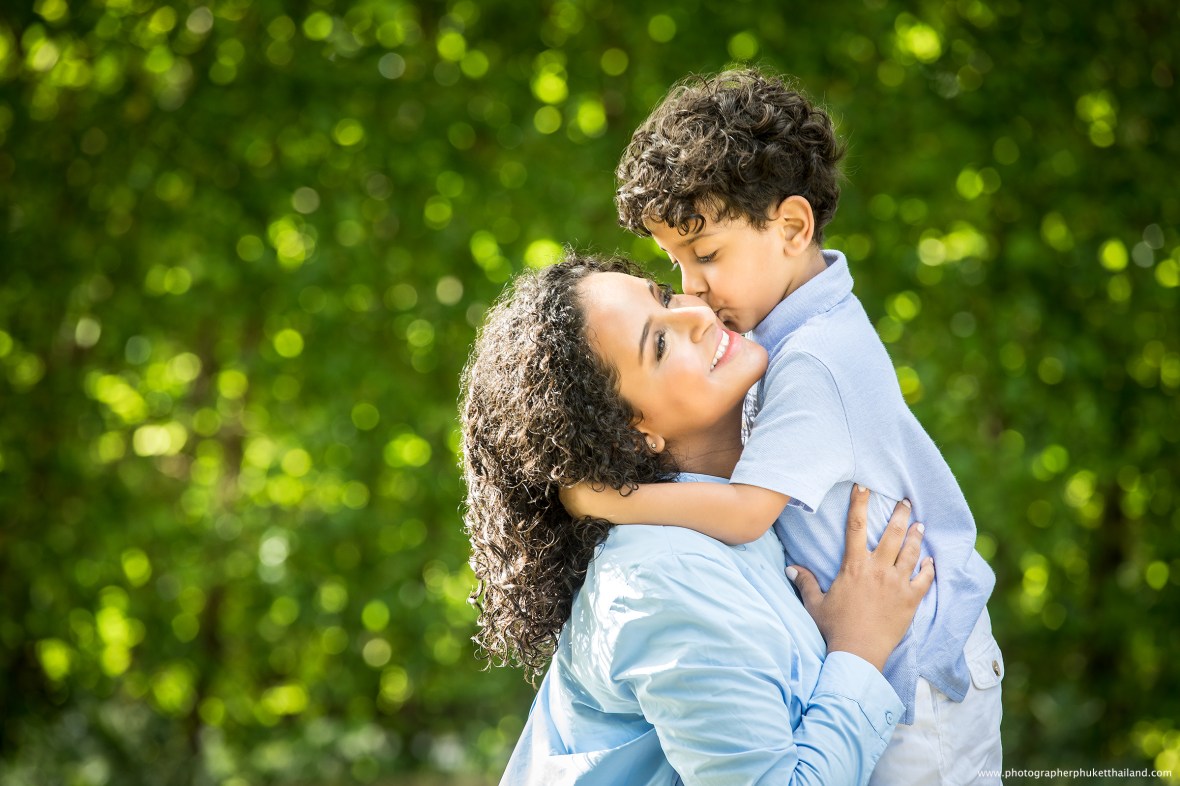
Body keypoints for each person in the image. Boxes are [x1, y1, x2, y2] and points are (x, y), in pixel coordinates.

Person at [563, 68, 1003, 784]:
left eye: (705, 256)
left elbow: (744, 514)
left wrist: (605, 498)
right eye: (674, 262)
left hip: (923, 678)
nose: (692, 289)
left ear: (793, 227)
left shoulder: (815, 360)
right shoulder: (780, 337)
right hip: (878, 659)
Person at [461, 253, 935, 785]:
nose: (698, 313)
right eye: (660, 345)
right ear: (632, 434)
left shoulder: (737, 509)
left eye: (663, 295)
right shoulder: (664, 577)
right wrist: (858, 653)